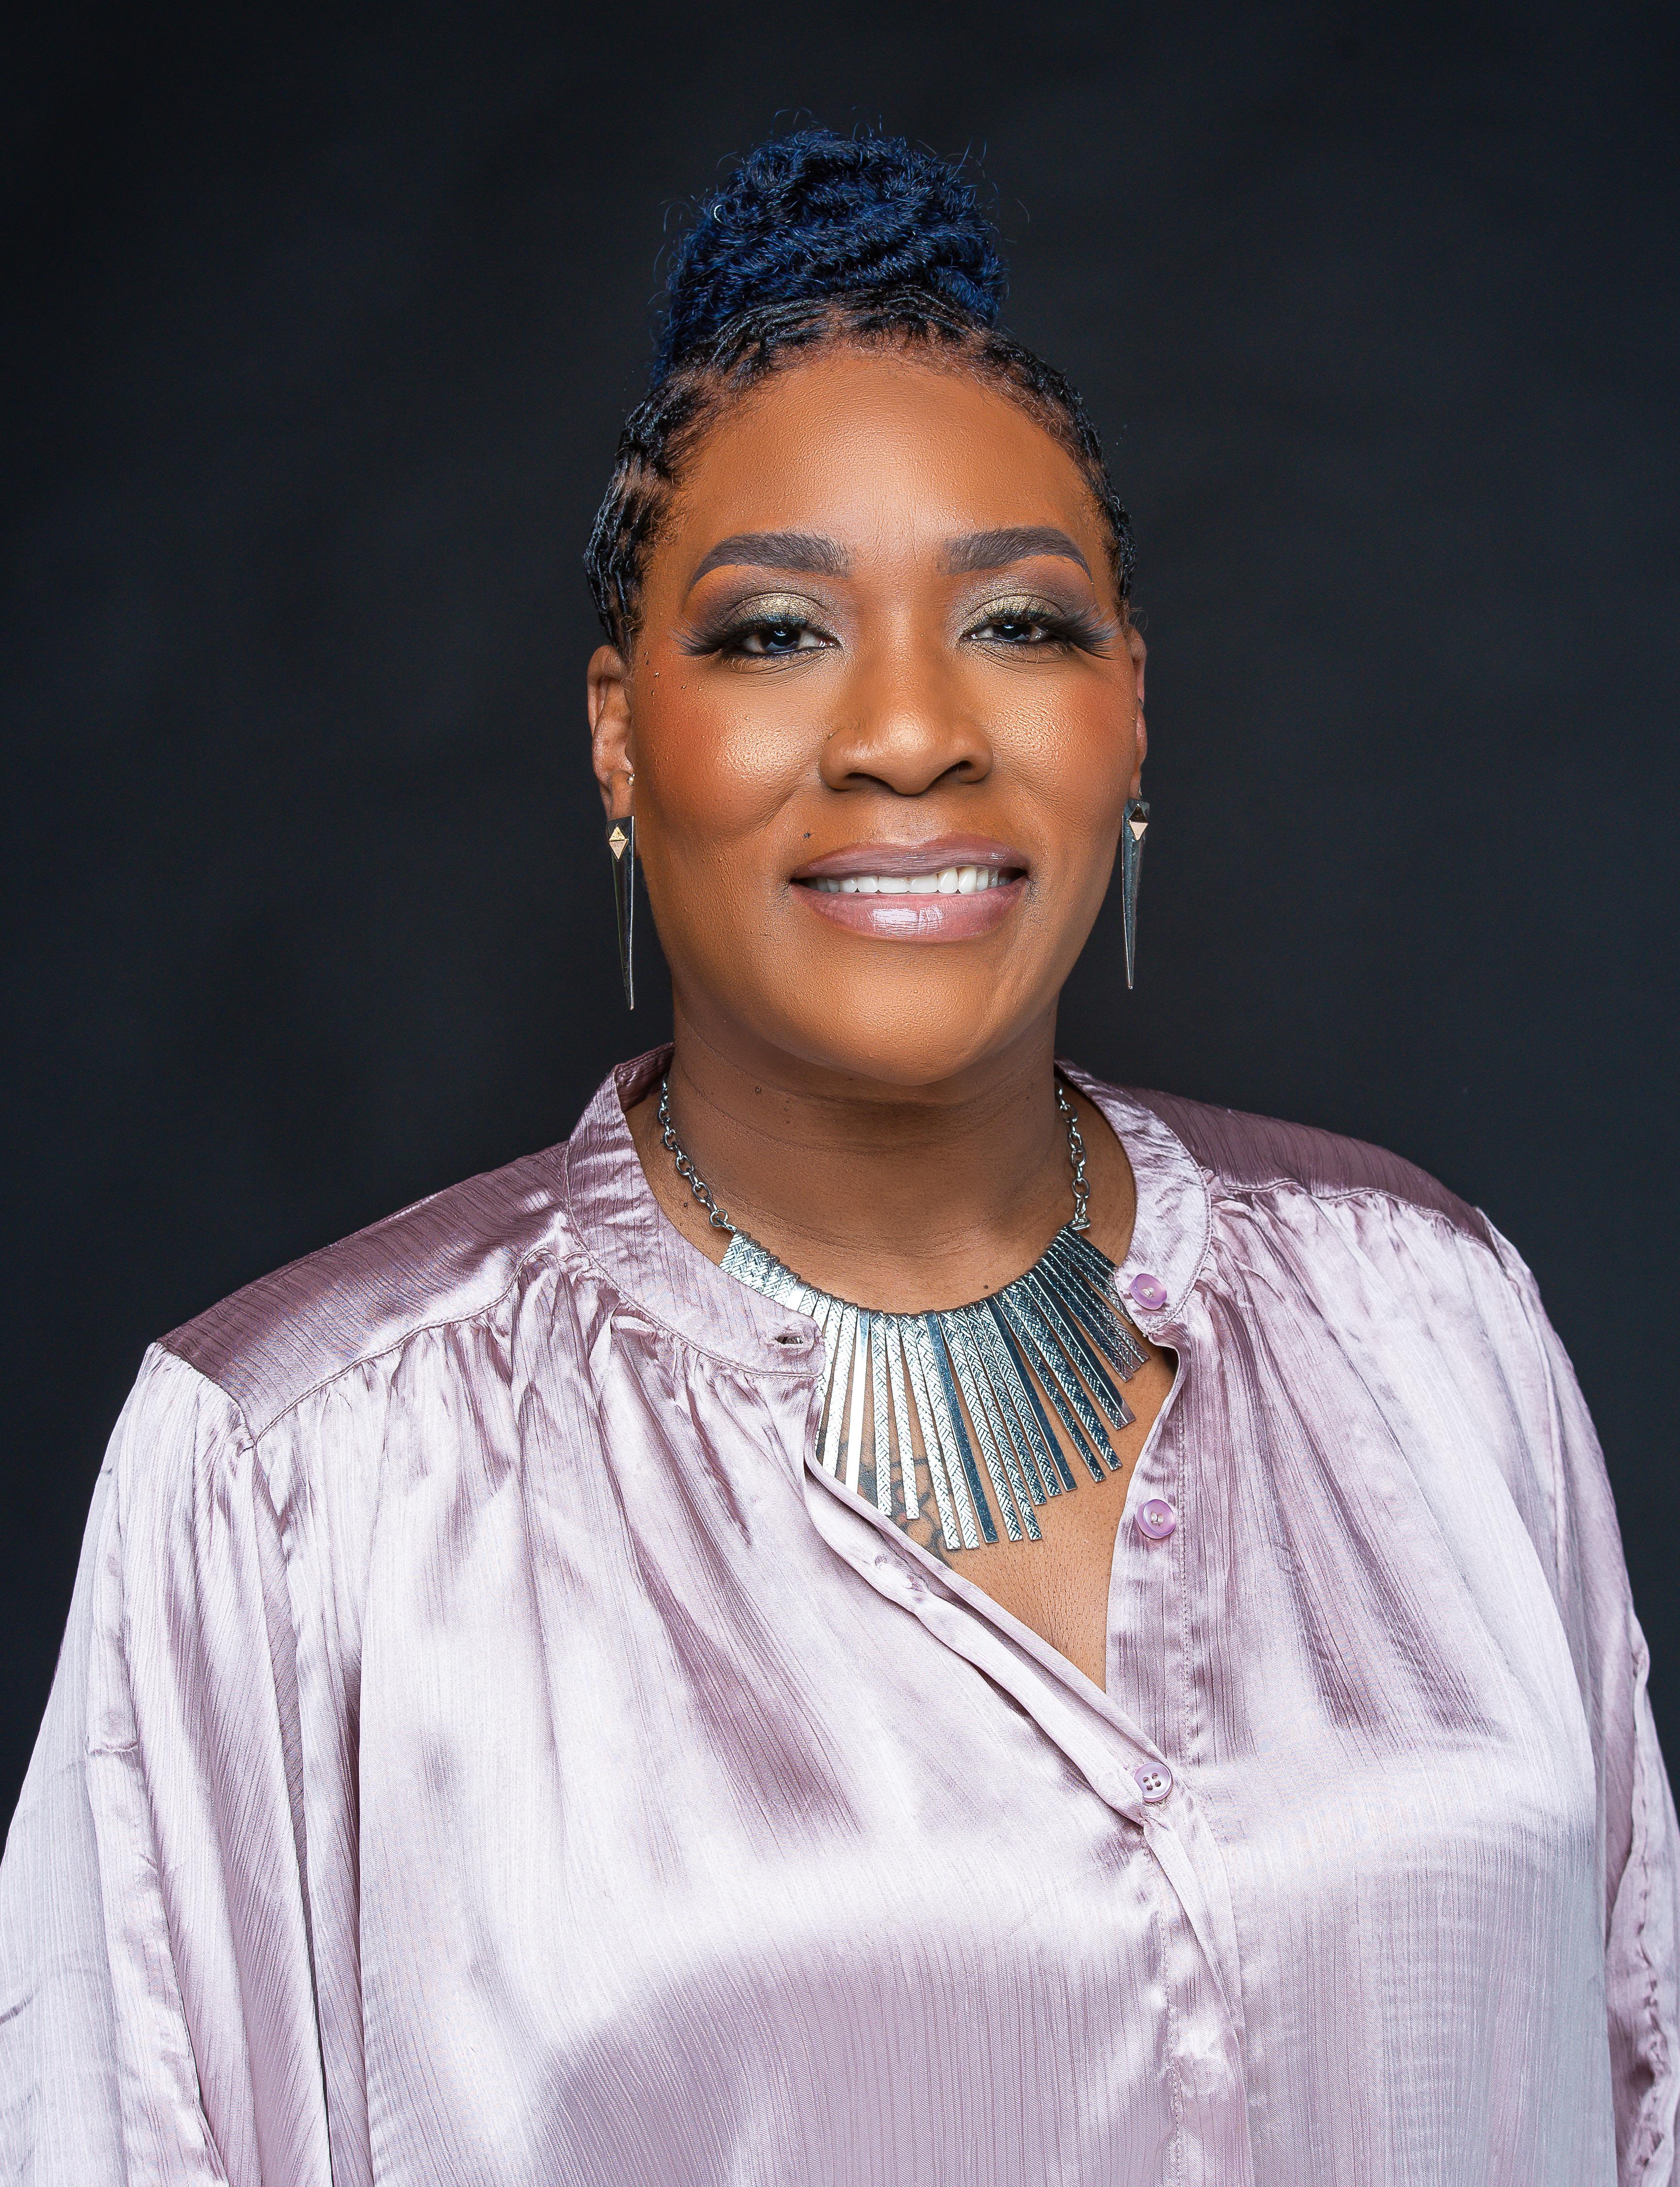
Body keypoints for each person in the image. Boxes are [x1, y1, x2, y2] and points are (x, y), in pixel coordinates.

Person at [1, 128, 1674, 2187]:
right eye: (776, 632)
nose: (906, 730)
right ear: (618, 732)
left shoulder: (1432, 1328)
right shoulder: (291, 1481)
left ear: (1132, 712)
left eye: (1022, 625)